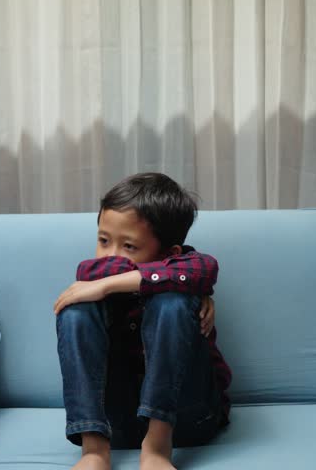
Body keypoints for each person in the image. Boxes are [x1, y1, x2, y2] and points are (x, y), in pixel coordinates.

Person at [54, 173, 232, 470]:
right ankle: (93, 451)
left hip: (188, 418)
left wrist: (176, 286)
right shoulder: (94, 276)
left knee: (173, 301)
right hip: (115, 423)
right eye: (103, 240)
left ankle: (157, 448)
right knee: (76, 307)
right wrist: (144, 279)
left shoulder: (191, 266)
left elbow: (204, 268)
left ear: (170, 252)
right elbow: (98, 274)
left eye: (129, 246)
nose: (110, 254)